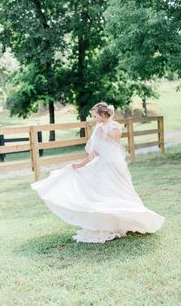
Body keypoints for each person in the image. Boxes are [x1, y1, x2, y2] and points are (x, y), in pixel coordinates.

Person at [31, 102, 165, 243]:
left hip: (108, 166)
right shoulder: (116, 127)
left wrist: (82, 163)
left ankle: (114, 224)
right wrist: (81, 164)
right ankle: (120, 222)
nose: (94, 118)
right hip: (118, 164)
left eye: (95, 116)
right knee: (118, 192)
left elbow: (95, 153)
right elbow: (113, 148)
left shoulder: (100, 129)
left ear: (101, 115)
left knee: (109, 194)